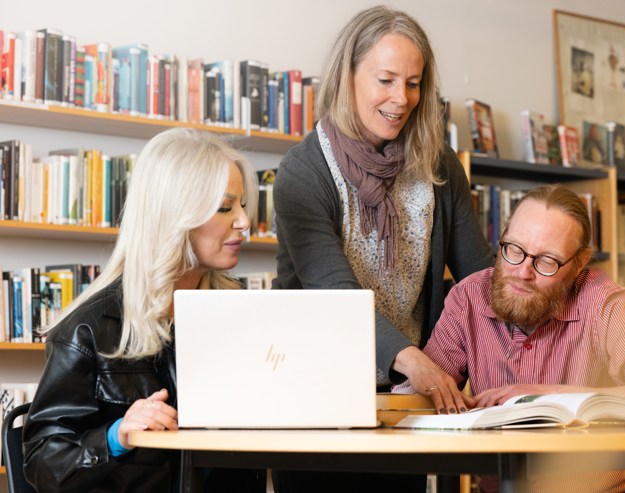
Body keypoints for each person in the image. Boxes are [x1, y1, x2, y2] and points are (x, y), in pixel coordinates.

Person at [270, 5, 492, 491]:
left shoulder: (438, 164)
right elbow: (336, 295)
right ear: (347, 76)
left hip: (402, 402)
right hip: (316, 400)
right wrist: (419, 363)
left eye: (414, 83)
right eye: (386, 80)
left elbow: (480, 278)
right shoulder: (303, 172)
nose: (401, 99)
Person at [394, 184, 625, 493]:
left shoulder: (601, 300)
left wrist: (546, 395)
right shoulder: (469, 296)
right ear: (504, 234)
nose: (523, 272)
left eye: (547, 261)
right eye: (514, 249)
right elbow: (409, 404)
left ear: (578, 264)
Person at [22, 128, 265, 493]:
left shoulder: (241, 317)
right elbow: (42, 463)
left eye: (243, 205)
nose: (244, 221)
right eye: (225, 207)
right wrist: (117, 435)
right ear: (175, 214)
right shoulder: (88, 329)